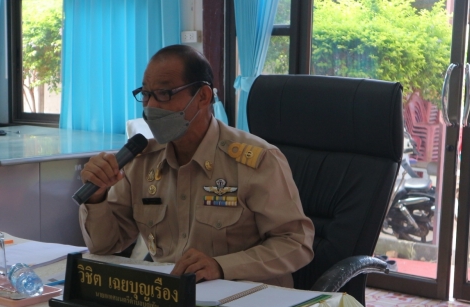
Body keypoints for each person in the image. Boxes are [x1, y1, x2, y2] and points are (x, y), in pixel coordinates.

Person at [78, 45, 314, 287]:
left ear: (203, 96)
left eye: (164, 93)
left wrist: (222, 267)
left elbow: (296, 243)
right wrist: (97, 197)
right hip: (170, 294)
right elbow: (104, 246)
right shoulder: (140, 161)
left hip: (248, 297)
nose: (151, 107)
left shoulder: (257, 160)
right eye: (146, 94)